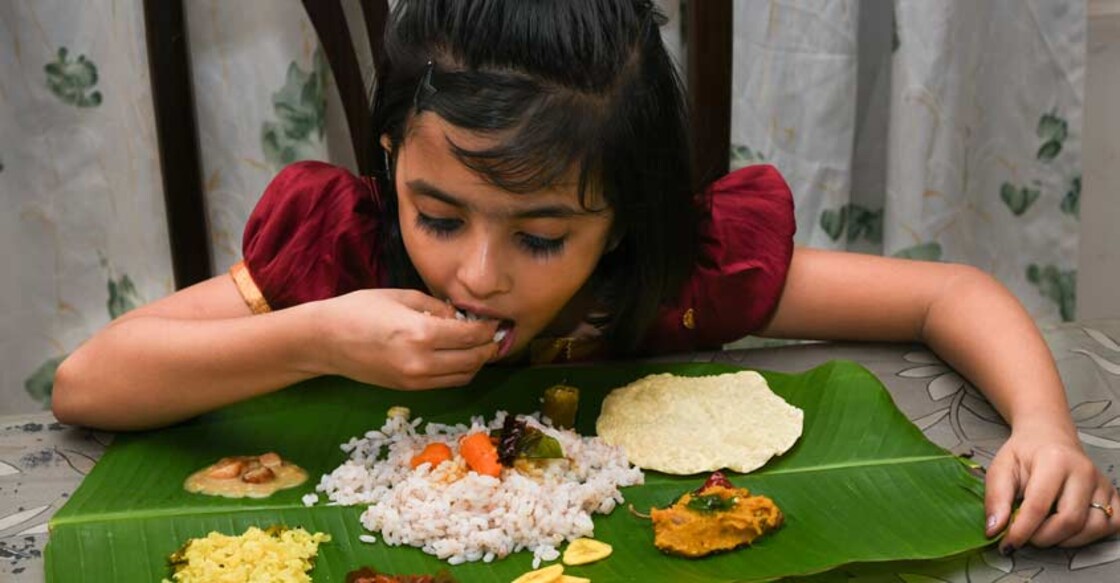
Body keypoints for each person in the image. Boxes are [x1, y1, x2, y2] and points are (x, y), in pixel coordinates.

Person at [51, 0, 1115, 555]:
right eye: (438, 215)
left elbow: (946, 294)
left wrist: (1044, 429)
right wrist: (318, 335)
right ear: (387, 165)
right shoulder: (336, 252)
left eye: (542, 235)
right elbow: (91, 382)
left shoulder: (674, 273)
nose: (477, 270)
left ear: (622, 216)